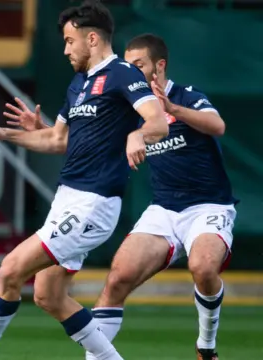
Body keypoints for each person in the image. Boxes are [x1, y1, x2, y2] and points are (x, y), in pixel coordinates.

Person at [0, 1, 170, 360]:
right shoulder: (79, 83)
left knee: (11, 269)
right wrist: (3, 134)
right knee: (48, 294)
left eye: (69, 40)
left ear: (91, 39)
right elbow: (56, 139)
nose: (65, 49)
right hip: (67, 201)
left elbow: (157, 121)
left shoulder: (124, 74)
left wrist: (138, 135)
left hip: (94, 203)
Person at [83, 33, 237, 360]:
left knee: (204, 267)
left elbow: (217, 125)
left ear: (159, 66)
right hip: (164, 209)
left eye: (139, 65)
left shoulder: (186, 96)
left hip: (208, 205)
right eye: (129, 66)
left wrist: (173, 110)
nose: (132, 73)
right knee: (118, 278)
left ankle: (206, 345)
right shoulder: (131, 108)